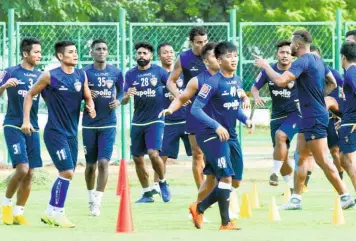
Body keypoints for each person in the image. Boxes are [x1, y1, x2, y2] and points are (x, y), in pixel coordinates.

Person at [254, 30, 355, 210]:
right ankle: (296, 199)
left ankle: (345, 196)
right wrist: (317, 96)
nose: (289, 47)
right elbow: (331, 82)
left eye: (291, 44)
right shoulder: (318, 61)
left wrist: (265, 66)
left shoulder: (303, 61)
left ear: (298, 45)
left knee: (323, 160)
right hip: (307, 116)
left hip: (313, 116)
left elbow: (281, 80)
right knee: (301, 156)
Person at [21, 40, 96, 228]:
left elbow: (87, 96)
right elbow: (29, 95)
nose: (75, 54)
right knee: (67, 172)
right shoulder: (50, 76)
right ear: (60, 56)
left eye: (76, 51)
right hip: (55, 133)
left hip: (71, 133)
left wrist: (91, 107)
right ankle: (59, 213)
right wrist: (26, 120)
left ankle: (49, 212)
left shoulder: (81, 75)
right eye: (71, 52)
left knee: (67, 173)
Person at [189, 41, 254, 230]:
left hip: (230, 135)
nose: (233, 59)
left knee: (236, 180)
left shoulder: (237, 80)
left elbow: (232, 108)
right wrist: (216, 126)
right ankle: (225, 222)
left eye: (235, 55)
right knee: (225, 178)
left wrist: (245, 119)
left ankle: (199, 207)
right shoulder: (212, 83)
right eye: (228, 56)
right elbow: (196, 109)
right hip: (211, 135)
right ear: (218, 60)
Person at [121, 42, 171, 203]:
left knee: (153, 153)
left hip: (156, 119)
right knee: (137, 158)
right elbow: (124, 100)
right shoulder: (130, 74)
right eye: (139, 53)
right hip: (137, 121)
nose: (141, 56)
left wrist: (172, 95)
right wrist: (128, 95)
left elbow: (171, 86)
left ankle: (162, 182)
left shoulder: (159, 71)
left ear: (150, 56)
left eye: (145, 53)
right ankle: (147, 193)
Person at [0, 37, 42, 225]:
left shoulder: (42, 76)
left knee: (31, 172)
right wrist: (4, 87)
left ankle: (19, 212)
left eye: (40, 52)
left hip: (33, 127)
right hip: (13, 125)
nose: (39, 55)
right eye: (36, 52)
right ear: (25, 54)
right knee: (22, 169)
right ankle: (6, 206)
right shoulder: (10, 72)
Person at [82, 39, 124, 216]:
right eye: (98, 49)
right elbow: (77, 92)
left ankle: (97, 202)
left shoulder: (115, 72)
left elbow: (122, 91)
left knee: (104, 162)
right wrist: (85, 95)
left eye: (104, 49)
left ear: (108, 52)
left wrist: (118, 100)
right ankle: (90, 197)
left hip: (109, 123)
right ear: (91, 53)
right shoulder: (84, 72)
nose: (101, 51)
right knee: (90, 165)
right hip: (89, 124)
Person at [251, 40, 298, 191]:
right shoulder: (268, 70)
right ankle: (292, 188)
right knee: (280, 154)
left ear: (293, 56)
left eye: (288, 53)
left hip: (296, 114)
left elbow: (287, 83)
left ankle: (274, 173)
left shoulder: (297, 70)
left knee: (280, 136)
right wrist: (256, 96)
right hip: (276, 115)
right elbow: (254, 87)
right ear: (277, 54)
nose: (285, 55)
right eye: (282, 52)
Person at [166, 26, 208, 189]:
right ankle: (202, 193)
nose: (203, 45)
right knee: (197, 153)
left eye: (205, 41)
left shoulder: (214, 55)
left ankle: (219, 188)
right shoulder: (183, 58)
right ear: (191, 42)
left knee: (213, 153)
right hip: (193, 112)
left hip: (214, 110)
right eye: (199, 42)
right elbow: (171, 81)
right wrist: (180, 96)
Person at [151, 42, 192, 195]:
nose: (168, 55)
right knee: (162, 155)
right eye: (165, 53)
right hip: (167, 121)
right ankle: (156, 185)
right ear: (159, 56)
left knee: (199, 153)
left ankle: (207, 186)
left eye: (171, 52)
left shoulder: (183, 73)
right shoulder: (156, 74)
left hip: (187, 119)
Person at [339, 42, 356, 195]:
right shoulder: (350, 73)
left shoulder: (352, 72)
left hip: (352, 122)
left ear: (343, 57)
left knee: (348, 160)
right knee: (343, 159)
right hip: (347, 120)